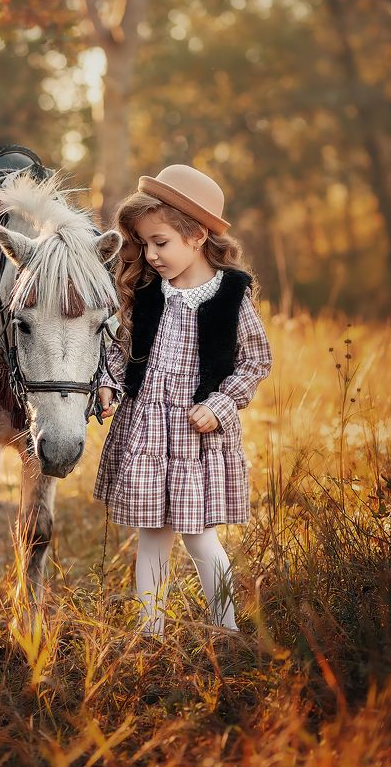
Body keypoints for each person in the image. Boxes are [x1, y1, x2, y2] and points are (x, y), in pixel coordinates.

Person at [93, 164, 272, 640]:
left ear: (196, 236)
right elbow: (121, 347)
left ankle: (227, 629)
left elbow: (255, 362)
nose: (150, 255)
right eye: (144, 244)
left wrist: (220, 403)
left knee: (199, 538)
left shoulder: (230, 295)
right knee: (151, 535)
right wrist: (109, 382)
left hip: (197, 435)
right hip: (147, 430)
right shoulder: (147, 292)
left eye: (160, 242)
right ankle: (150, 632)